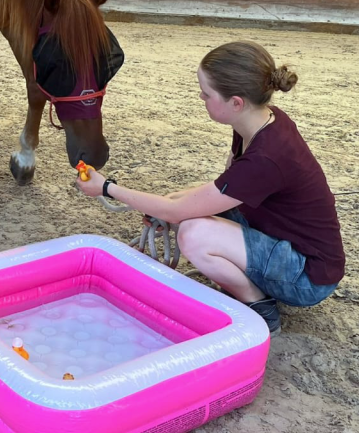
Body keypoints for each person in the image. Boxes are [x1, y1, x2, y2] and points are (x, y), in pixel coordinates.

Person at [76, 41, 344, 335]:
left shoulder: (266, 156)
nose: (201, 97)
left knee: (193, 233)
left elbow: (178, 212)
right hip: (284, 241)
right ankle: (249, 283)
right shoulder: (260, 122)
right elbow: (210, 193)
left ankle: (259, 306)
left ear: (236, 102)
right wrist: (165, 206)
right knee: (179, 203)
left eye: (206, 94)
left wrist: (107, 188)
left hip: (306, 277)